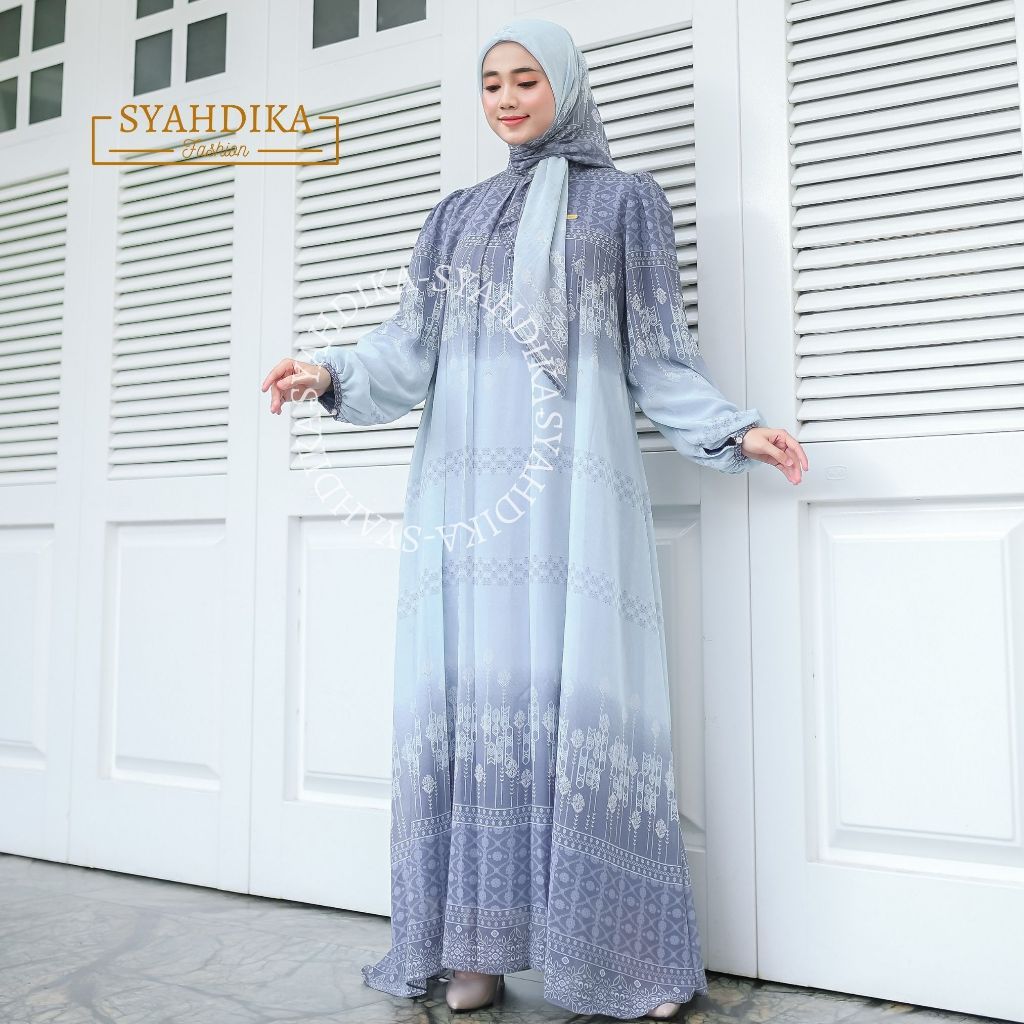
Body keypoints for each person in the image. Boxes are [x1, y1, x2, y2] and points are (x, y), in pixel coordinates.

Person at [262, 17, 808, 1021]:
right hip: (468, 501)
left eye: (525, 79)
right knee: (477, 702)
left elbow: (655, 355)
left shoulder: (626, 203)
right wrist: (329, 372)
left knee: (580, 696)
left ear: (565, 84)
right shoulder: (454, 217)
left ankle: (622, 955)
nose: (507, 98)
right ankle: (474, 945)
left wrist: (738, 429)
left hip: (572, 498)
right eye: (492, 84)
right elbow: (407, 349)